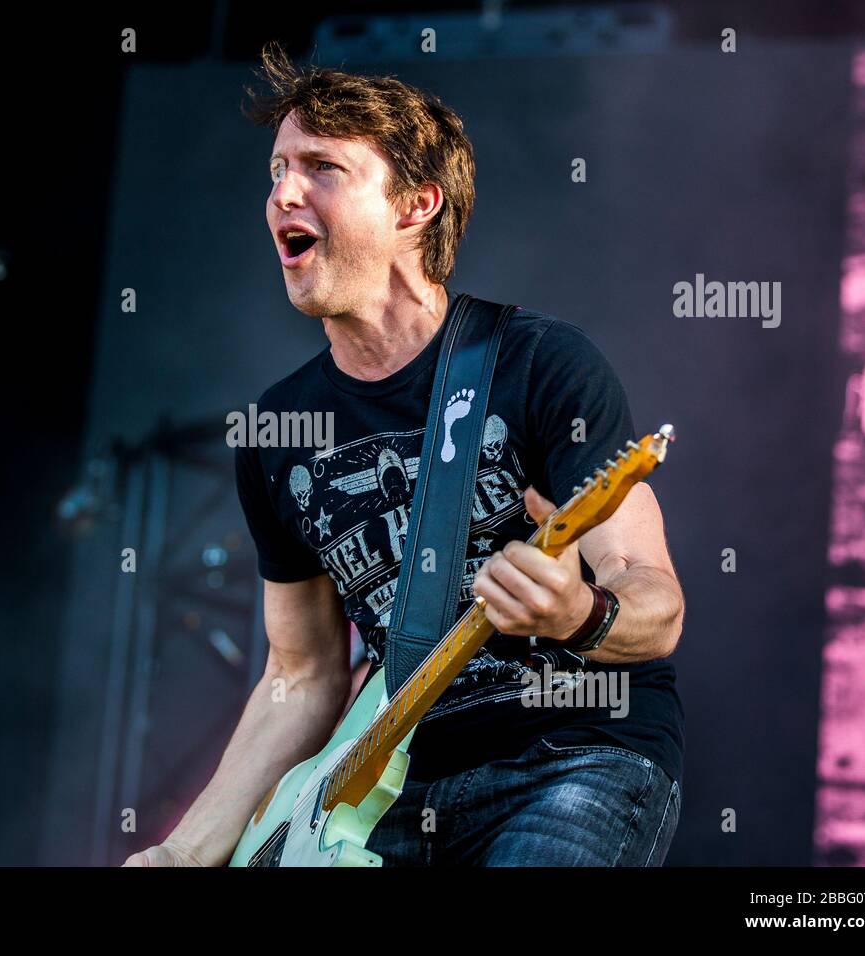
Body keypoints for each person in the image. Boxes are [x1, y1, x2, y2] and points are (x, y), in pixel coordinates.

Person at [123, 42, 685, 868]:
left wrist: (579, 613)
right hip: (390, 788)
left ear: (415, 206)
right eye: (277, 168)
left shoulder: (539, 363)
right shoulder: (280, 429)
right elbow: (302, 676)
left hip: (570, 755)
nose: (282, 191)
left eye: (321, 167)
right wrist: (183, 851)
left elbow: (657, 605)